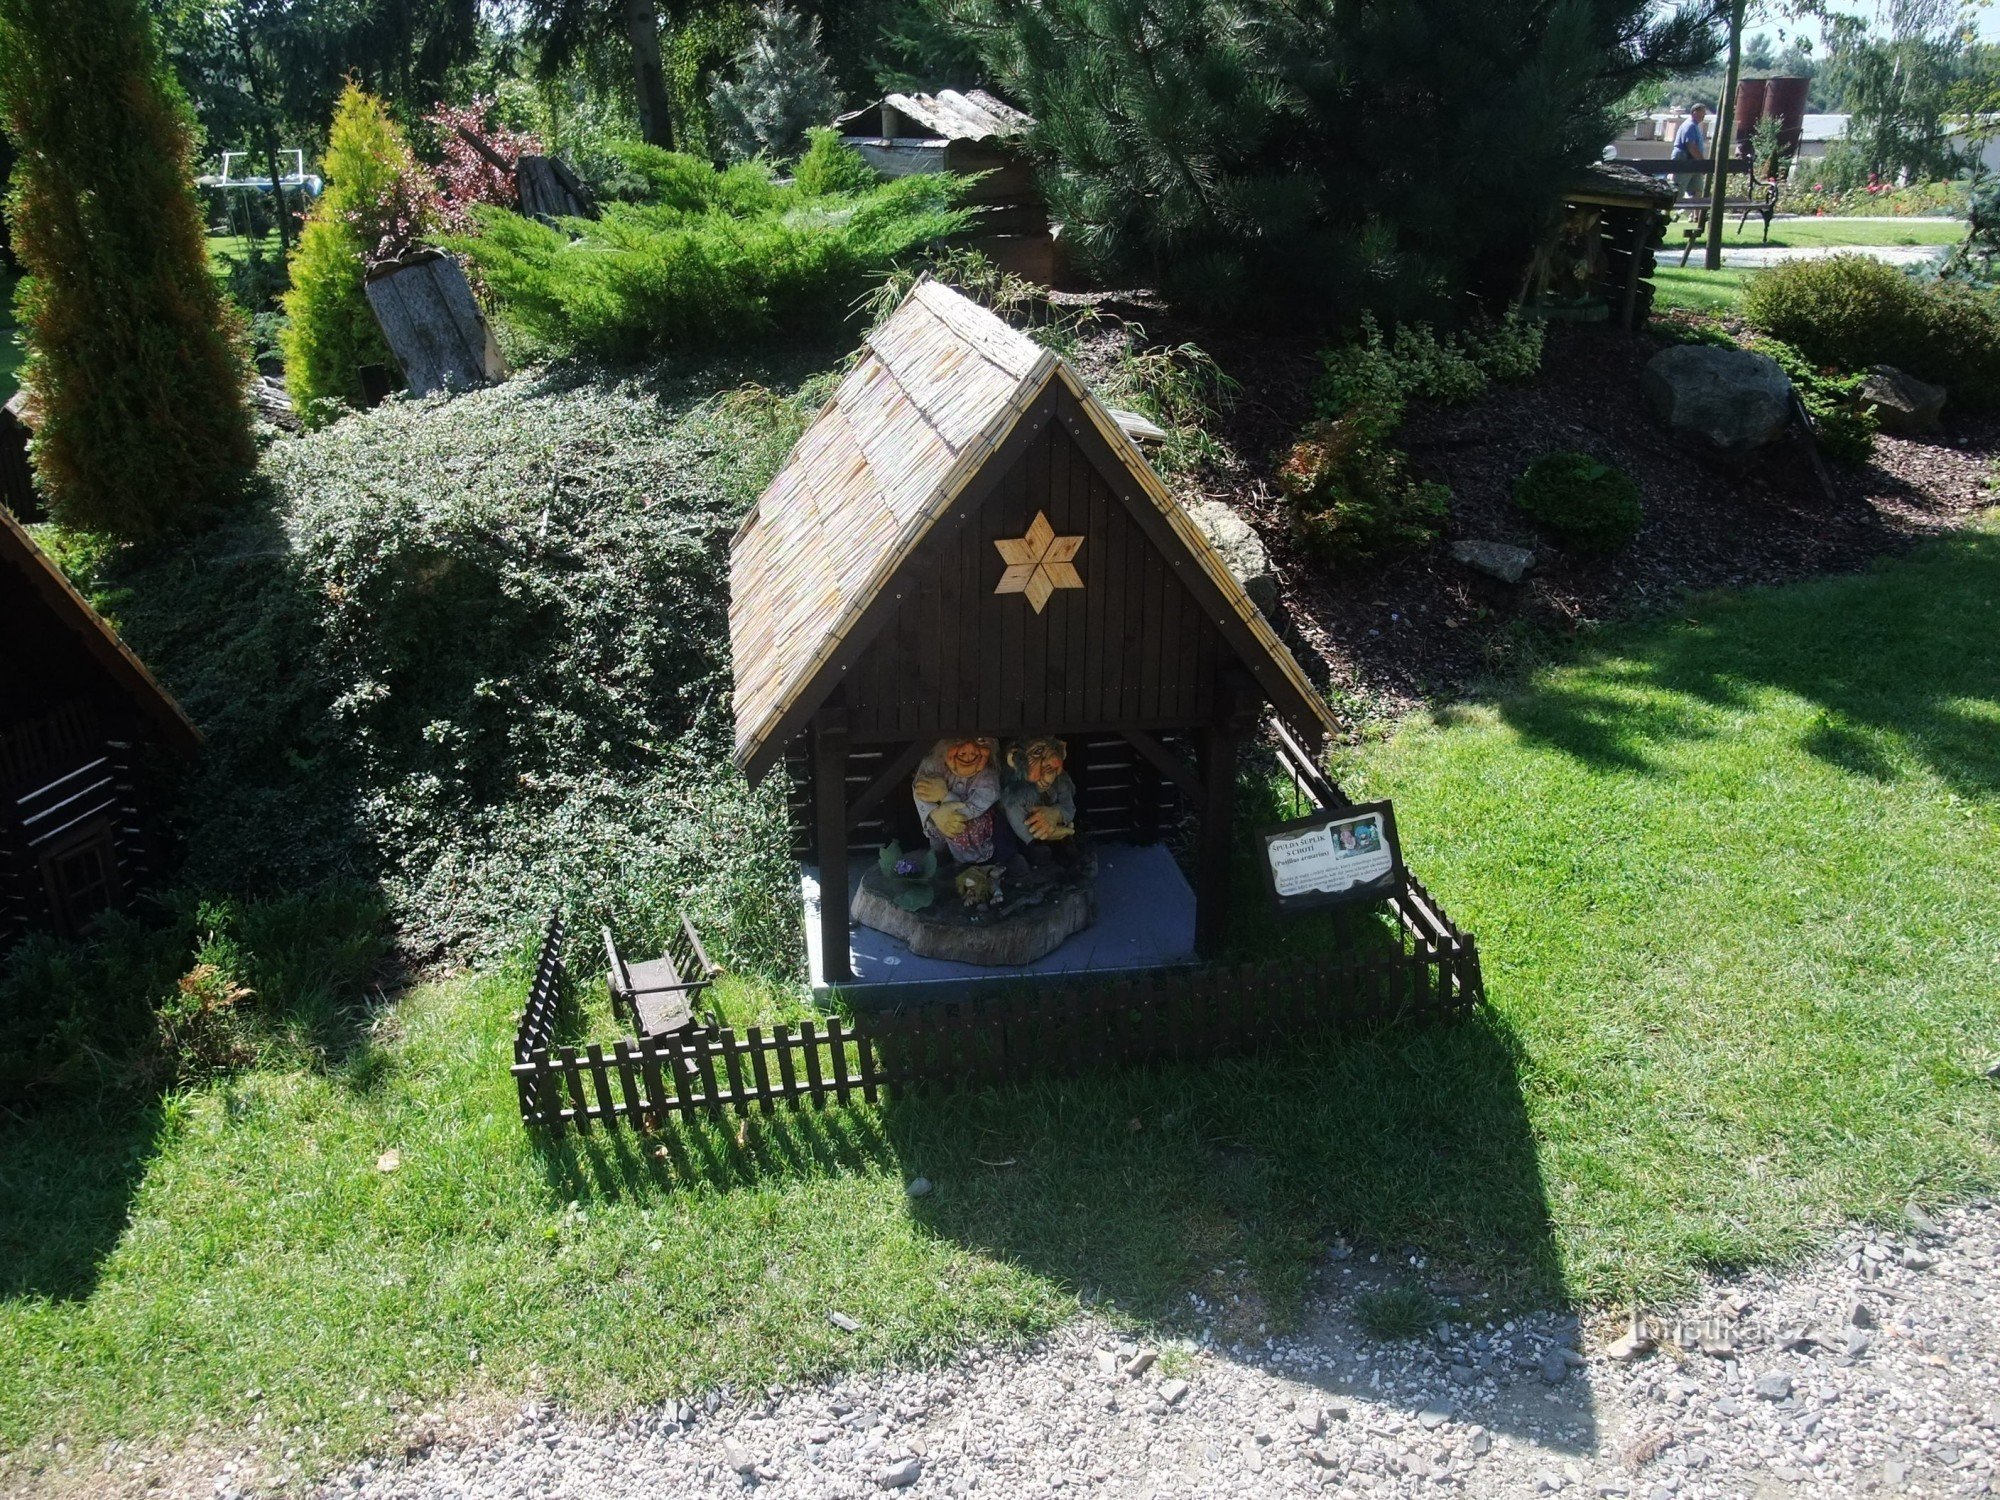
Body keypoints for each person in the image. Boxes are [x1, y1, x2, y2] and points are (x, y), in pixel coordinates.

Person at [1672, 104, 1709, 203]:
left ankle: (1695, 215)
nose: (1704, 114)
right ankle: (1670, 212)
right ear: (1695, 112)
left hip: (1695, 162)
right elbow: (1691, 146)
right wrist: (1702, 162)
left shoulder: (1696, 126)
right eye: (1702, 112)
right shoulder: (1689, 125)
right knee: (1679, 189)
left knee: (1697, 189)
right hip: (1684, 160)